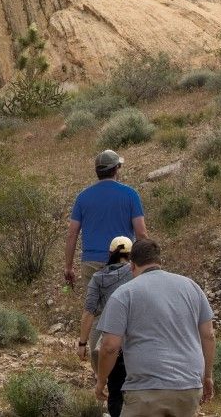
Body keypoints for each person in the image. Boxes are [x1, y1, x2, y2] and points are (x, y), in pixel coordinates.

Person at [95, 239, 216, 417]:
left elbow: (110, 346)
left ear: (132, 265)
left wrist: (101, 381)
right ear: (159, 262)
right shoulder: (191, 287)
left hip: (145, 390)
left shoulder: (124, 293)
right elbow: (209, 336)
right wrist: (207, 377)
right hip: (188, 389)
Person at [64, 149, 148, 357]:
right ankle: (124, 364)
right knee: (126, 311)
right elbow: (141, 232)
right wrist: (148, 263)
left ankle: (98, 367)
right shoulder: (130, 195)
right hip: (122, 261)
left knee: (96, 313)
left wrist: (68, 266)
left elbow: (72, 234)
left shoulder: (83, 197)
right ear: (116, 169)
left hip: (91, 260)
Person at [80, 236, 134, 417]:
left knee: (108, 383)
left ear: (110, 253)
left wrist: (82, 343)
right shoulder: (135, 273)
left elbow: (88, 312)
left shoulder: (98, 277)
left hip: (102, 335)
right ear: (131, 254)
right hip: (130, 334)